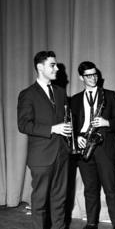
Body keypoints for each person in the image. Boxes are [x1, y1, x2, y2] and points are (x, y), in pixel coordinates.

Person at [17, 51, 72, 229]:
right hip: (41, 157)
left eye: (56, 65)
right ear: (40, 67)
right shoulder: (28, 94)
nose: (56, 68)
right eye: (52, 65)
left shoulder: (60, 92)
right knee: (40, 203)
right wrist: (52, 129)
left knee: (60, 201)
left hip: (62, 154)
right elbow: (24, 125)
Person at [71, 61, 115, 229]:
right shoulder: (74, 99)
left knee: (111, 190)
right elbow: (71, 125)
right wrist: (77, 137)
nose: (93, 78)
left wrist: (107, 122)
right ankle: (91, 223)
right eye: (88, 75)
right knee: (90, 190)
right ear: (81, 77)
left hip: (104, 148)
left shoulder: (110, 96)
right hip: (84, 147)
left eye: (95, 74)